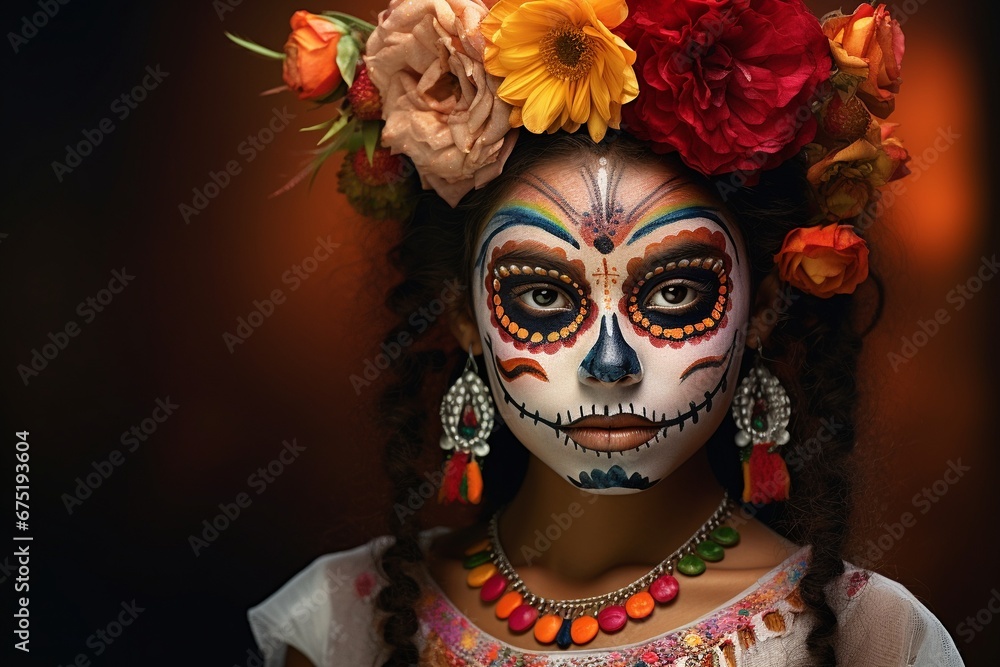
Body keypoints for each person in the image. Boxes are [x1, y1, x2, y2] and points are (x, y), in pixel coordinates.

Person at [232, 0, 966, 665]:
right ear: (463, 316)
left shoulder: (874, 638)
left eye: (676, 292)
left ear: (762, 308)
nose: (609, 362)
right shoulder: (345, 624)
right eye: (544, 296)